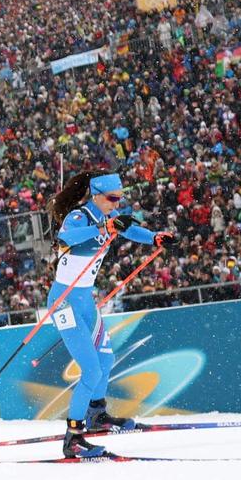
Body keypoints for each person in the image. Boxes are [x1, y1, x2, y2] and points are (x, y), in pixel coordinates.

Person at [46, 170, 169, 458]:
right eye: (112, 198)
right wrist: (104, 227)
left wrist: (155, 238)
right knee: (91, 370)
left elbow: (129, 230)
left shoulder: (108, 216)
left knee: (106, 359)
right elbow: (66, 236)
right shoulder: (80, 216)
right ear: (97, 195)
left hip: (85, 302)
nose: (117, 203)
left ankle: (97, 415)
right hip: (64, 303)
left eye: (119, 198)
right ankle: (73, 438)